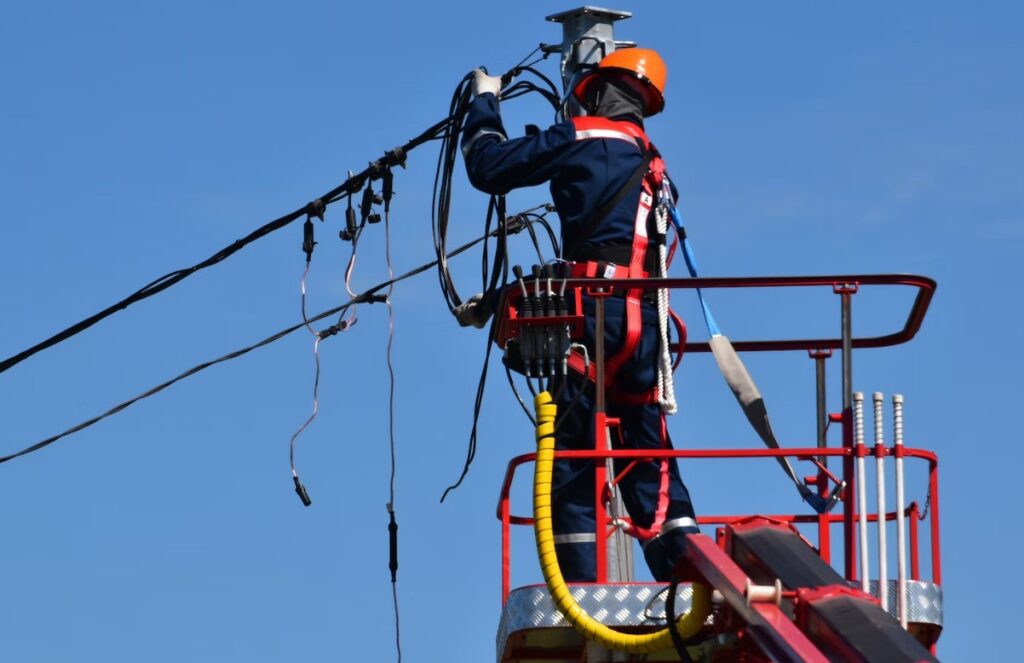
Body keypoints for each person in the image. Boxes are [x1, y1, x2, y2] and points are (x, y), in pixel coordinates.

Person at [461, 48, 698, 582]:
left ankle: (584, 588)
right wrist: (500, 300)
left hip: (592, 322)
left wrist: (484, 103)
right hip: (643, 330)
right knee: (650, 456)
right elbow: (619, 250)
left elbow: (488, 167)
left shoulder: (584, 137)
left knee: (574, 460)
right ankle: (687, 571)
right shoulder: (654, 166)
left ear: (591, 92)